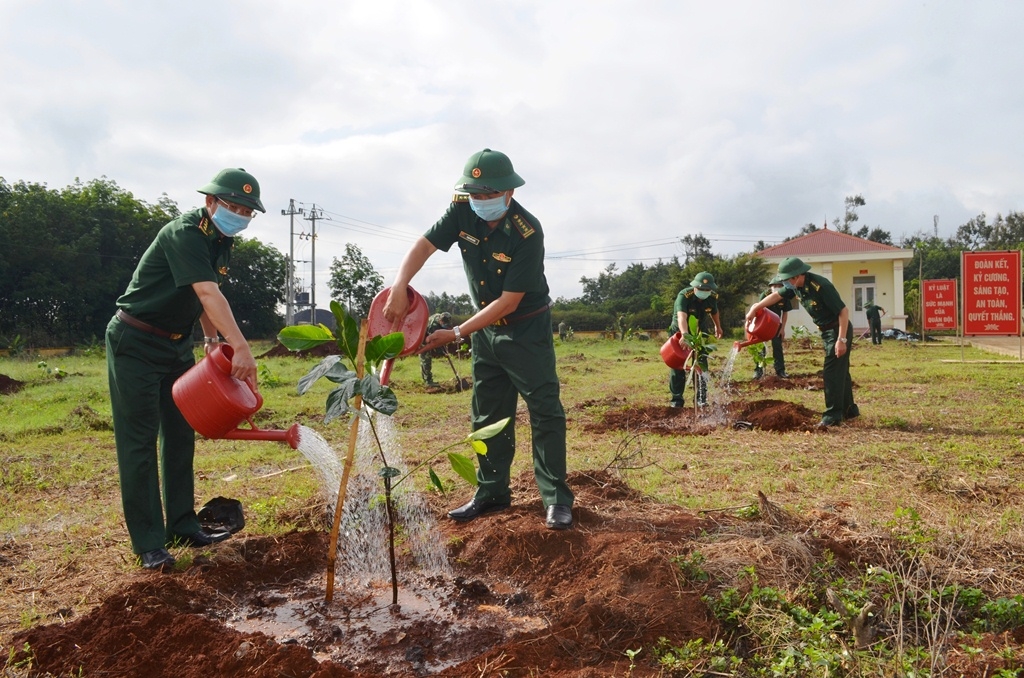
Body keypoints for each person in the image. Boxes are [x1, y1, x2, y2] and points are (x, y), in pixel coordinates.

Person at [383, 149, 573, 530]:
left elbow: (509, 301)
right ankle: (491, 492)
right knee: (487, 414)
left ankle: (555, 499)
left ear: (509, 193)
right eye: (475, 194)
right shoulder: (461, 211)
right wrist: (400, 284)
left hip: (526, 330)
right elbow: (423, 245)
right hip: (486, 334)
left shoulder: (527, 232)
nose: (481, 202)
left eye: (488, 195)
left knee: (544, 410)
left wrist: (455, 333)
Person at [105, 168, 264, 570]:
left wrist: (212, 341)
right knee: (138, 442)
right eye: (234, 206)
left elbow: (206, 296)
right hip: (136, 341)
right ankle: (149, 543)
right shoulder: (185, 233)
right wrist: (239, 347)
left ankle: (182, 524)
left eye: (247, 211)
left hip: (176, 345)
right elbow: (207, 292)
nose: (240, 215)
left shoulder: (221, 242)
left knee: (180, 435)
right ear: (210, 202)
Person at [746, 257, 858, 428]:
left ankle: (833, 415)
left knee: (831, 373)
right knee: (840, 370)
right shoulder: (796, 286)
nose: (784, 282)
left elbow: (843, 312)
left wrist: (841, 340)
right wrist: (756, 307)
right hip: (826, 330)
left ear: (796, 276)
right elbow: (776, 295)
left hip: (837, 330)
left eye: (786, 279)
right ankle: (850, 410)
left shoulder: (821, 286)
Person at [668, 272, 723, 407]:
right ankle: (677, 400)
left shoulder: (712, 297)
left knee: (701, 363)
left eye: (707, 290)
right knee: (679, 364)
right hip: (680, 331)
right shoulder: (684, 296)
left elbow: (714, 312)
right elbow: (681, 317)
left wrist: (718, 327)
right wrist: (685, 336)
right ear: (694, 287)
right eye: (701, 289)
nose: (704, 292)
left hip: (700, 331)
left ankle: (701, 399)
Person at [754, 281, 792, 379]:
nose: (777, 288)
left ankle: (780, 370)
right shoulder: (765, 295)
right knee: (760, 347)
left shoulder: (785, 296)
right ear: (770, 287)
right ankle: (758, 371)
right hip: (764, 323)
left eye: (779, 286)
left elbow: (785, 312)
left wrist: (782, 328)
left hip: (776, 324)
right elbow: (759, 309)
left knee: (777, 346)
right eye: (775, 286)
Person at [420, 311, 453, 386]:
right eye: (444, 324)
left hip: (428, 337)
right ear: (440, 321)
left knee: (426, 360)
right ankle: (428, 381)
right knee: (426, 360)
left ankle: (426, 380)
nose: (445, 325)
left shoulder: (439, 316)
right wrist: (443, 353)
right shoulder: (433, 326)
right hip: (423, 340)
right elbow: (436, 343)